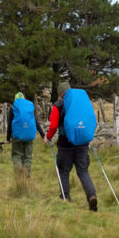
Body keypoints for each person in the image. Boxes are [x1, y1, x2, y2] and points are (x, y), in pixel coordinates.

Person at [45, 82, 98, 211]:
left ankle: (65, 197)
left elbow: (53, 125)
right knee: (83, 171)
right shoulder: (81, 102)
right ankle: (91, 195)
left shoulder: (58, 105)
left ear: (61, 93)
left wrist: (48, 137)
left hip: (65, 144)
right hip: (83, 143)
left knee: (63, 170)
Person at [7, 92, 44, 178]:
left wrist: (8, 138)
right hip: (29, 135)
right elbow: (35, 122)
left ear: (15, 100)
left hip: (17, 136)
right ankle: (26, 177)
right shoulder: (28, 108)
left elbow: (9, 124)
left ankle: (19, 177)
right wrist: (42, 135)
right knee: (28, 157)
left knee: (17, 155)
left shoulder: (13, 109)